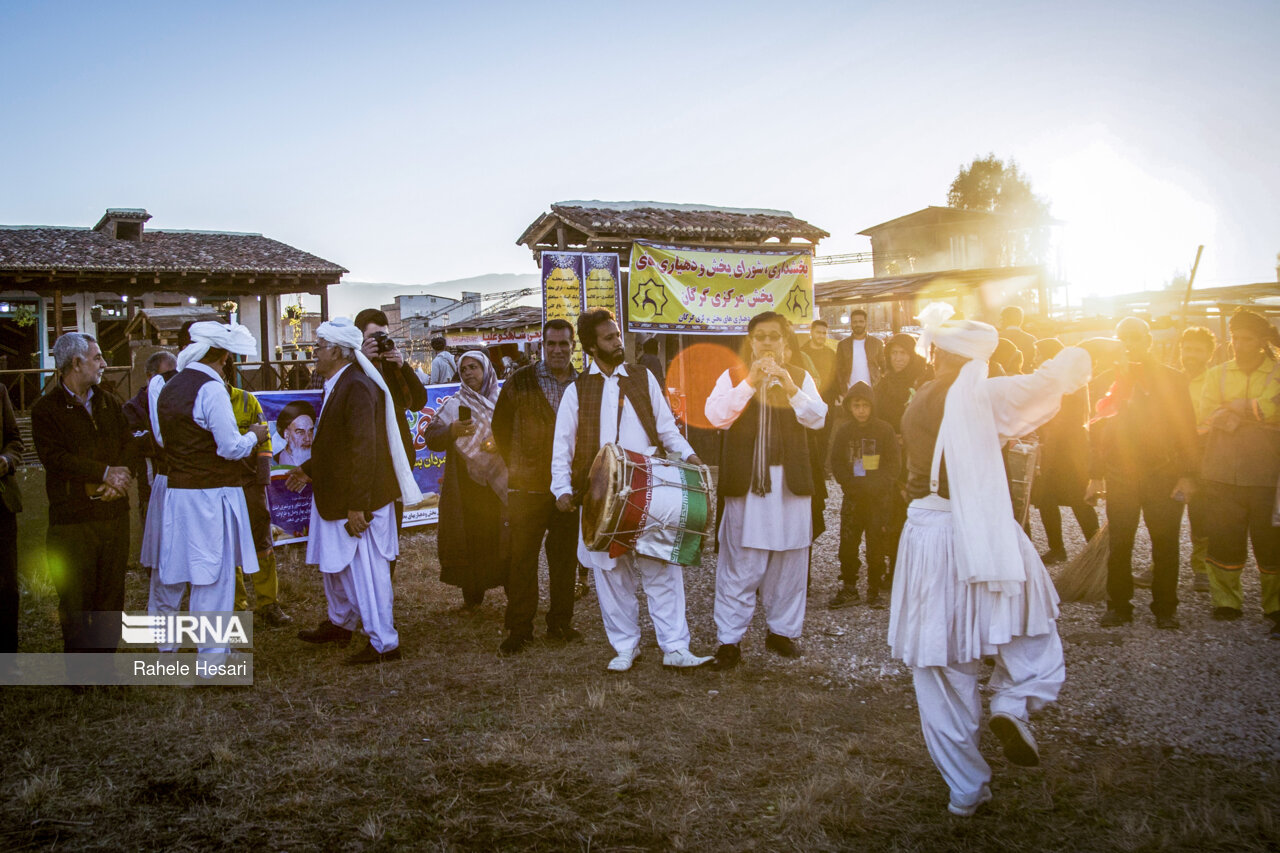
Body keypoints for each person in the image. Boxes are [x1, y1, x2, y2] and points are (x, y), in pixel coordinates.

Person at [889, 302, 1120, 817]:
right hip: (980, 528)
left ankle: (965, 789)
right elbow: (1046, 384)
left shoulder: (920, 396)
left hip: (926, 530)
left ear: (937, 354)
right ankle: (1013, 704)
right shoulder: (981, 394)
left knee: (942, 665)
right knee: (1031, 626)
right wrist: (1089, 349)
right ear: (975, 357)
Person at [551, 309, 711, 672]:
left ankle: (675, 647)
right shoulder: (577, 390)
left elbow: (667, 429)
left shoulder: (642, 377)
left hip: (648, 485)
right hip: (599, 494)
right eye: (609, 338)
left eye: (618, 335)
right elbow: (563, 445)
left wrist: (690, 456)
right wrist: (560, 488)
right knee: (611, 575)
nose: (618, 342)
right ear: (592, 346)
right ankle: (625, 647)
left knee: (662, 567)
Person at [287, 318, 422, 663]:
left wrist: (358, 504)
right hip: (339, 497)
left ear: (335, 350)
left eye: (318, 346)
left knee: (367, 573)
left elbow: (365, 448)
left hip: (360, 501)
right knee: (337, 570)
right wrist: (308, 470)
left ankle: (384, 643)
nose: (314, 352)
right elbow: (336, 444)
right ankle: (341, 623)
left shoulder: (357, 386)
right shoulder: (340, 382)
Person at [704, 312, 827, 668]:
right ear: (751, 342)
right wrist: (750, 384)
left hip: (790, 486)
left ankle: (782, 632)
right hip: (748, 487)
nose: (768, 343)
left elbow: (818, 418)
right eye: (761, 337)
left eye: (775, 337)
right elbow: (716, 416)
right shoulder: (732, 376)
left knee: (789, 564)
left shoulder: (800, 377)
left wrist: (789, 387)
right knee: (742, 564)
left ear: (786, 344)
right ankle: (729, 640)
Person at [151, 323, 265, 658]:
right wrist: (255, 436)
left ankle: (166, 645)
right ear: (224, 356)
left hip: (177, 493)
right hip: (211, 495)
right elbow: (229, 447)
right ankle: (213, 658)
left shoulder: (168, 386)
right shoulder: (211, 389)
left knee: (172, 572)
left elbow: (161, 439)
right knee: (212, 575)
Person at [1087, 316, 1197, 630]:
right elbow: (1096, 433)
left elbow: (1186, 428)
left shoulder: (1172, 379)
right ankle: (1118, 605)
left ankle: (1165, 608)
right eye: (1123, 338)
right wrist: (1095, 474)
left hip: (1163, 470)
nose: (1130, 343)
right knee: (1120, 542)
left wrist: (1188, 474)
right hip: (1120, 472)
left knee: (1166, 541)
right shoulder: (1107, 380)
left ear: (1147, 340)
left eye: (1135, 337)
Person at [32, 333, 137, 653]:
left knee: (110, 593)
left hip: (113, 515)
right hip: (72, 521)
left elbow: (128, 444)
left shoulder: (109, 401)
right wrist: (104, 473)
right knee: (76, 596)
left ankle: (105, 663)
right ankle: (80, 670)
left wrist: (121, 479)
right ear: (75, 364)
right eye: (97, 358)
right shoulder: (45, 410)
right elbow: (56, 459)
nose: (104, 364)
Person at [493, 319, 581, 654]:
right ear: (541, 346)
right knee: (522, 561)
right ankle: (519, 629)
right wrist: (518, 465)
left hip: (567, 492)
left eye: (564, 344)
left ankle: (560, 624)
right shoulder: (520, 381)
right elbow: (500, 428)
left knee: (563, 560)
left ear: (574, 346)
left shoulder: (583, 385)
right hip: (526, 489)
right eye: (551, 344)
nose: (557, 350)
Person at [1195, 309, 1280, 635]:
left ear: (1261, 342)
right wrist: (1256, 414)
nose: (1239, 344)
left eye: (1247, 338)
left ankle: (1275, 606)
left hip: (1266, 474)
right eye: (1235, 338)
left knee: (1271, 542)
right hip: (1221, 472)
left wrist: (1241, 408)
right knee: (1224, 539)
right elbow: (1206, 414)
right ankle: (1226, 602)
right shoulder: (1216, 373)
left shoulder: (1276, 372)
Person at [425, 350, 510, 610]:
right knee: (471, 539)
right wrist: (451, 430)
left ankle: (514, 595)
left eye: (474, 367)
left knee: (505, 539)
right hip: (467, 487)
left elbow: (517, 433)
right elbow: (431, 437)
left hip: (500, 485)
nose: (469, 373)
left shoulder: (504, 402)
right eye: (464, 370)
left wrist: (500, 442)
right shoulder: (454, 403)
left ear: (486, 370)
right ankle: (472, 597)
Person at [355, 309, 429, 576]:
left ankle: (387, 581)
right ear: (360, 339)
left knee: (392, 530)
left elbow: (419, 401)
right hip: (367, 461)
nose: (381, 343)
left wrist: (402, 365)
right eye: (374, 337)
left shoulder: (393, 367)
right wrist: (363, 359)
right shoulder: (353, 368)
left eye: (384, 337)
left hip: (395, 457)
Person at [226, 376, 292, 627]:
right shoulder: (201, 400)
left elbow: (265, 442)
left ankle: (268, 603)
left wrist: (261, 483)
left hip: (250, 485)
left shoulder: (246, 400)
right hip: (218, 487)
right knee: (227, 545)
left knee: (262, 541)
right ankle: (236, 607)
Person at [828, 382, 899, 609]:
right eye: (856, 405)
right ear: (849, 406)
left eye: (865, 405)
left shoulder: (885, 430)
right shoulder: (844, 431)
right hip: (854, 497)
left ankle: (874, 589)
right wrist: (848, 484)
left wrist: (879, 485)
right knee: (848, 543)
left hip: (879, 499)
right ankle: (849, 586)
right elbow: (836, 461)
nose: (861, 410)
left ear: (872, 406)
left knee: (876, 544)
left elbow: (893, 464)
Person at [1031, 338, 1100, 565]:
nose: (1035, 358)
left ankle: (1095, 547)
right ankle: (1058, 548)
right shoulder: (1060, 380)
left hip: (1069, 448)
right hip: (1057, 446)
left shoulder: (1069, 382)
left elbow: (1065, 417)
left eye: (1038, 353)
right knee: (1045, 498)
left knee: (1078, 497)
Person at [1172, 326, 1217, 594]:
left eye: (1198, 350)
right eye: (1187, 348)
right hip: (1170, 455)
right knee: (1165, 512)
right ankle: (1158, 565)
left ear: (1209, 353)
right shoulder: (1169, 379)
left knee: (1202, 513)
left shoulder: (1215, 380)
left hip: (1203, 454)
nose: (1191, 354)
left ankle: (1201, 568)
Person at [1, 387, 24, 654]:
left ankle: (7, 657)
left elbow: (15, 440)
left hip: (2, 504)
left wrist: (7, 461)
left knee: (6, 586)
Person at [826, 308, 884, 405]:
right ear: (851, 324)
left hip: (872, 391)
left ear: (865, 323)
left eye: (861, 321)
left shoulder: (877, 343)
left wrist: (880, 388)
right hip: (849, 393)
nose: (858, 324)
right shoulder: (843, 345)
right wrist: (843, 391)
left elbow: (884, 366)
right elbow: (838, 369)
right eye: (855, 322)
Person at [272, 400, 316, 467]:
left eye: (310, 431)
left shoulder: (317, 459)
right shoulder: (277, 462)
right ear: (286, 434)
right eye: (300, 432)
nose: (307, 438)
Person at [801, 319, 837, 394]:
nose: (821, 336)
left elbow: (835, 376)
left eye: (824, 333)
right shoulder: (801, 353)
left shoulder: (831, 353)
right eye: (818, 332)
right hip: (808, 396)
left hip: (828, 397)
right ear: (811, 332)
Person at [999, 305, 1037, 374]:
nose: (1000, 321)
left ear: (1005, 319)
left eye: (1001, 318)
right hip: (1026, 379)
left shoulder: (996, 338)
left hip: (999, 380)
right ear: (1021, 320)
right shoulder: (1031, 339)